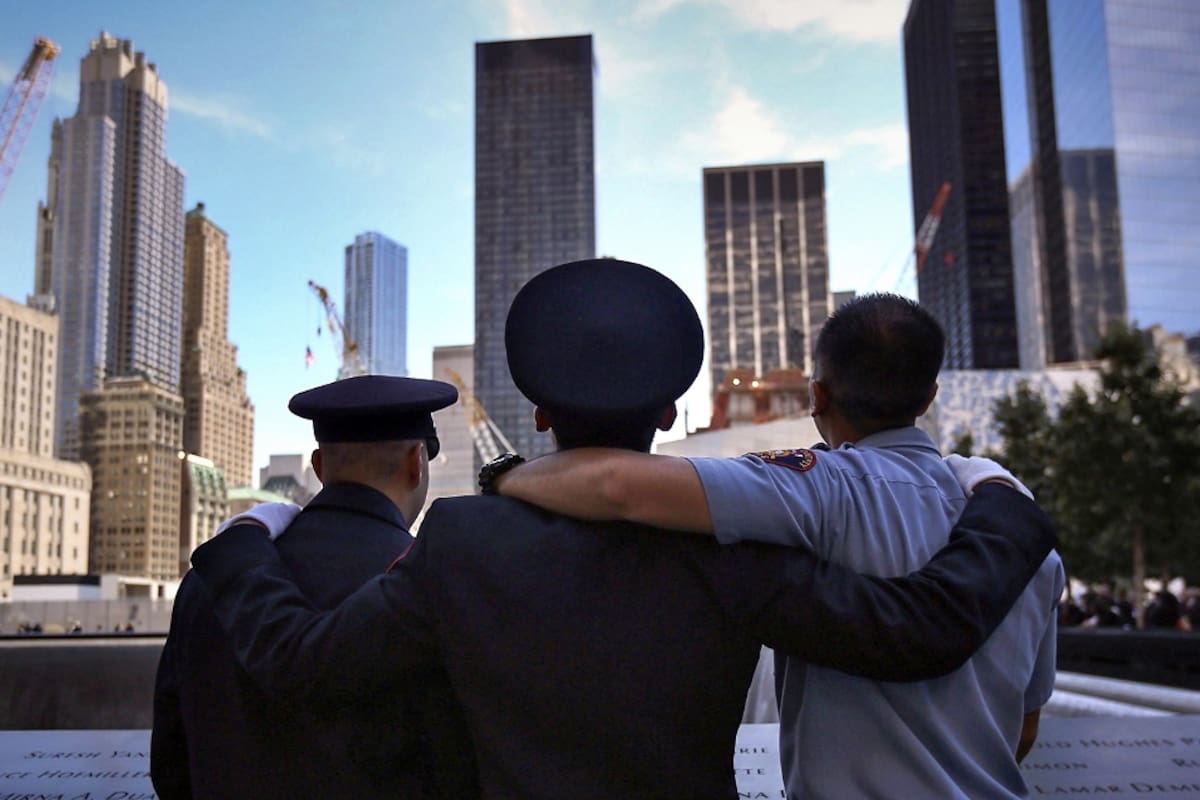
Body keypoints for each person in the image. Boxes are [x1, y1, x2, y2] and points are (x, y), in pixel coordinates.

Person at [189, 261, 1056, 799]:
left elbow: (305, 664)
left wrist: (242, 541)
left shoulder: (460, 541)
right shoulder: (740, 546)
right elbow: (907, 634)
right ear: (674, 411)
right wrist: (1004, 509)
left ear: (535, 414)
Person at [496, 291, 1065, 799]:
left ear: (818, 395)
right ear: (930, 394)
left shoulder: (815, 487)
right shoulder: (1022, 543)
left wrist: (503, 477)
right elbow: (1027, 725)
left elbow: (613, 485)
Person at [151, 375, 475, 799]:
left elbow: (171, 766)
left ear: (319, 467)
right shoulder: (431, 585)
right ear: (417, 460)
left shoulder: (209, 578)